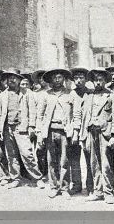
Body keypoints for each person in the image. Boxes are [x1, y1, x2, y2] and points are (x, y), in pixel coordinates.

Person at [74, 67, 114, 203]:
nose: (98, 83)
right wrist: (83, 135)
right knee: (94, 164)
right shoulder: (88, 96)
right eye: (95, 80)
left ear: (105, 81)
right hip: (91, 132)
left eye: (100, 80)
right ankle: (98, 191)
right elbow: (83, 115)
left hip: (105, 133)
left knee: (106, 164)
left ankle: (108, 192)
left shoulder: (112, 96)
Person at [0, 68, 44, 189]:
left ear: (19, 79)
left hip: (21, 128)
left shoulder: (27, 93)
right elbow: (0, 113)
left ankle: (37, 178)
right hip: (7, 128)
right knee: (11, 155)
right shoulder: (2, 95)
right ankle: (15, 178)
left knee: (27, 154)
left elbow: (32, 111)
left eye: (15, 77)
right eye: (10, 77)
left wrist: (32, 126)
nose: (12, 80)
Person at [37, 68, 78, 199]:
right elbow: (40, 115)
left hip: (65, 132)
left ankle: (64, 188)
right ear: (50, 80)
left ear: (64, 79)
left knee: (64, 161)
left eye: (59, 77)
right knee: (51, 160)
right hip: (50, 131)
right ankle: (54, 187)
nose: (57, 80)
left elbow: (77, 114)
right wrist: (39, 133)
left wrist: (75, 131)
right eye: (54, 78)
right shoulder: (46, 95)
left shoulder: (71, 94)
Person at [68, 66, 93, 195]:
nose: (78, 80)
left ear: (86, 79)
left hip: (88, 131)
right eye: (76, 78)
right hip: (73, 132)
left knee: (90, 159)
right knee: (74, 160)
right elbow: (70, 114)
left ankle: (90, 187)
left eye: (81, 78)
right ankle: (77, 185)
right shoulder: (71, 94)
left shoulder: (90, 93)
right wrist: (73, 132)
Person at [31, 69, 49, 177]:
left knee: (49, 150)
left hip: (48, 123)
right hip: (37, 122)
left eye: (44, 77)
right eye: (40, 78)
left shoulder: (51, 92)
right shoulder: (35, 94)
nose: (42, 80)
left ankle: (49, 173)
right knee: (39, 149)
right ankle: (41, 171)